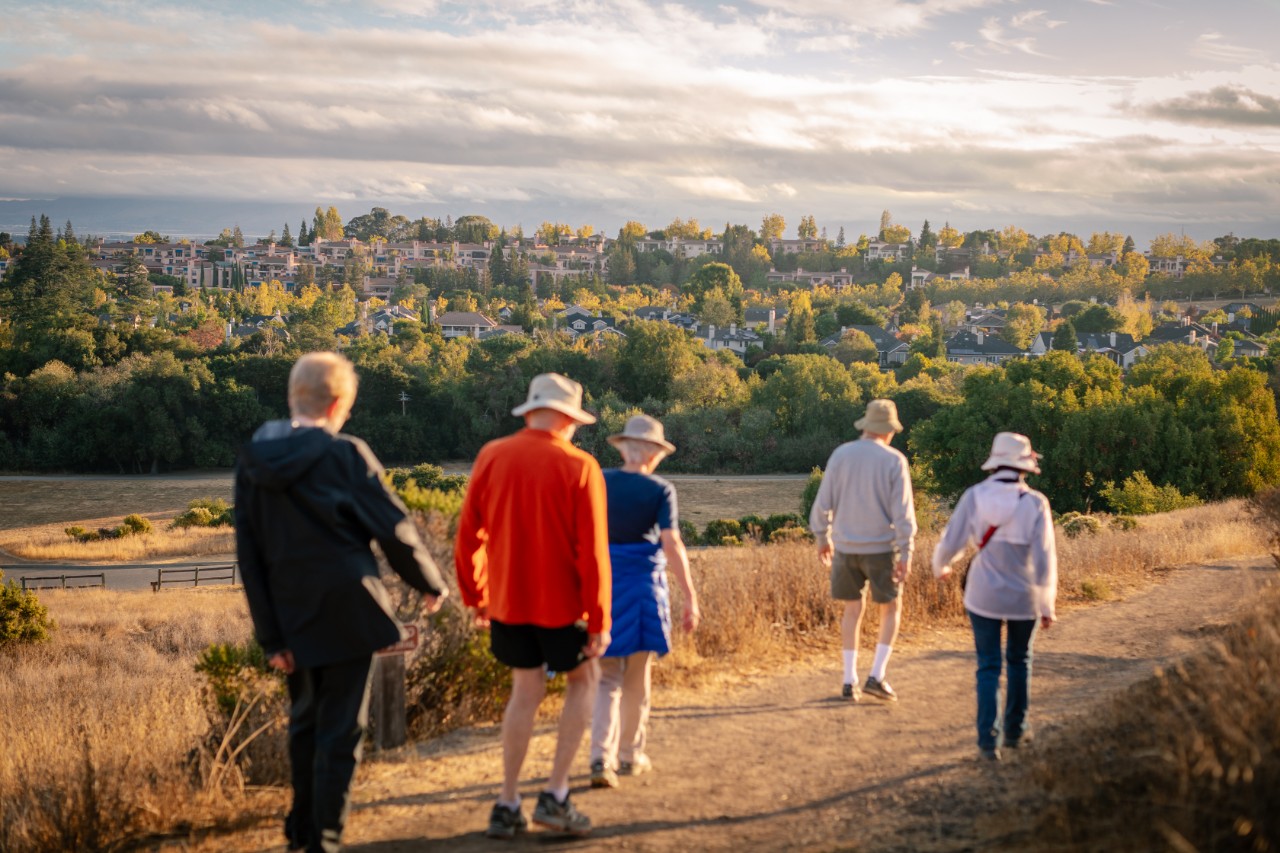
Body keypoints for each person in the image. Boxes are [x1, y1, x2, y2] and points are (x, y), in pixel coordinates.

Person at [234, 352, 448, 853]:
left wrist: (271, 636)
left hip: (289, 613)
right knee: (339, 731)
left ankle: (301, 833)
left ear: (293, 397)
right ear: (338, 405)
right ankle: (323, 839)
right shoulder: (346, 454)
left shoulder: (253, 458)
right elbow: (392, 527)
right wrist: (429, 582)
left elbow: (249, 555)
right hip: (350, 608)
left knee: (304, 722)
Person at [455, 372, 612, 839]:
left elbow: (469, 538)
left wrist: (476, 597)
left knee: (524, 692)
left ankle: (507, 803)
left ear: (531, 411)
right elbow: (593, 553)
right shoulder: (580, 466)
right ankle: (556, 795)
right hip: (563, 606)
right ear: (568, 418)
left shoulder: (492, 455)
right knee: (585, 681)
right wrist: (600, 618)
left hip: (506, 601)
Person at [588, 415, 700, 790]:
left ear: (622, 447)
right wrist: (689, 595)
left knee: (606, 678)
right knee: (637, 677)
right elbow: (672, 544)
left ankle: (599, 758)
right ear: (654, 453)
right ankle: (629, 756)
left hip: (603, 585)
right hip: (642, 587)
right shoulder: (660, 489)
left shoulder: (599, 481)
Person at [932, 432, 1057, 762]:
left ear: (994, 462)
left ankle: (988, 741)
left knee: (988, 666)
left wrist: (941, 566)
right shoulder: (1035, 503)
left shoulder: (975, 496)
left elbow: (951, 541)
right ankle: (1016, 730)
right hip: (1024, 596)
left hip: (983, 594)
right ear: (1025, 466)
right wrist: (1047, 604)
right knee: (1020, 660)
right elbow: (1045, 560)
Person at [809, 398, 917, 703]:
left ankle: (848, 680)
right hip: (882, 548)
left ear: (866, 426)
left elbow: (823, 502)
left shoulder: (841, 454)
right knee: (891, 608)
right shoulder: (894, 460)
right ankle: (876, 676)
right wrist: (906, 553)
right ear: (888, 430)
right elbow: (903, 514)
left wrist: (822, 536)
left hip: (844, 547)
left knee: (852, 610)